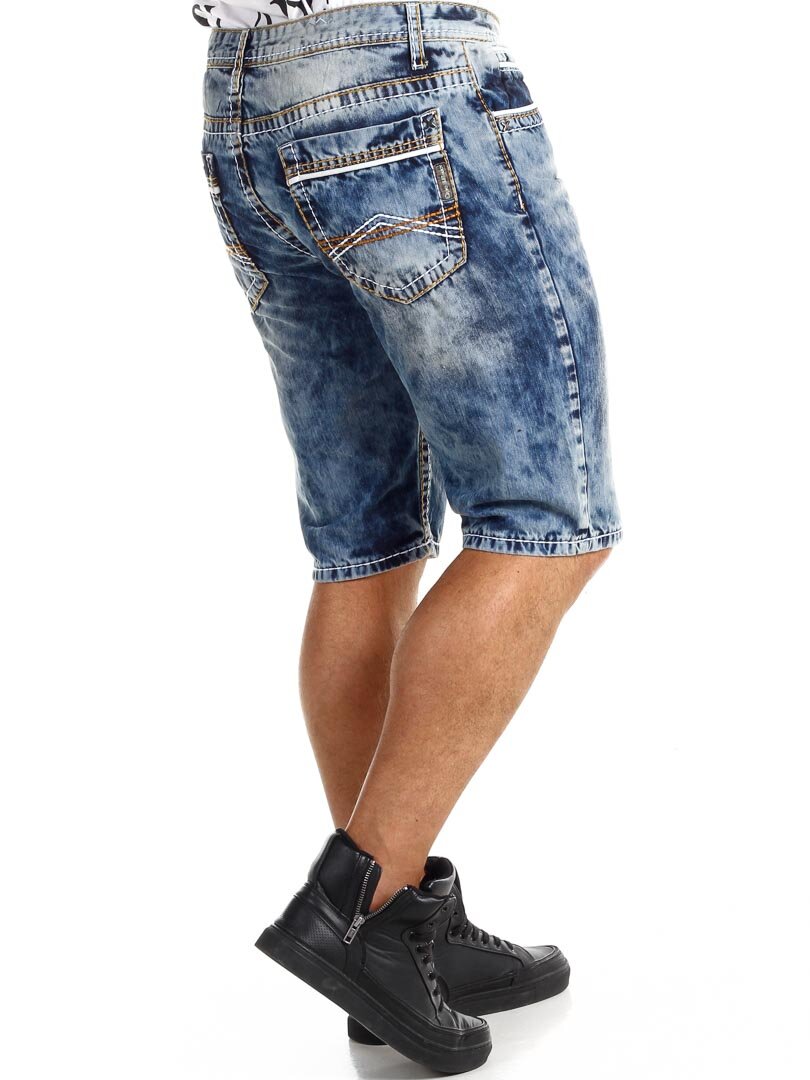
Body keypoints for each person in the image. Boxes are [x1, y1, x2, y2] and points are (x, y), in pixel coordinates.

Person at [196, 1, 621, 1071]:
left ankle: (394, 934)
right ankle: (356, 912)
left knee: (367, 540)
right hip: (403, 69)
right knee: (548, 520)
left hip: (246, 92)